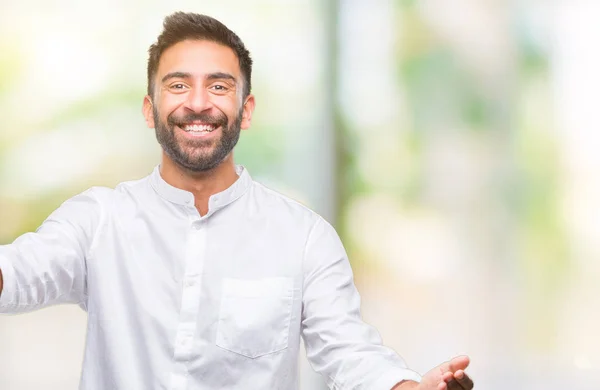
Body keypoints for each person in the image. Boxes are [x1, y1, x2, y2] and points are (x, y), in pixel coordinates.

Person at [0, 12, 474, 390]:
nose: (199, 103)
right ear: (151, 109)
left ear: (245, 111)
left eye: (220, 86)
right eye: (178, 85)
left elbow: (351, 354)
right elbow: (21, 273)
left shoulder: (303, 237)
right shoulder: (98, 220)